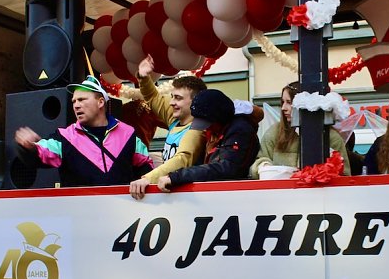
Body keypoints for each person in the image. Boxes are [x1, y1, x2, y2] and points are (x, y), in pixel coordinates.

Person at [14, 76, 153, 187]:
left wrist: (145, 181)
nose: (76, 105)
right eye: (74, 101)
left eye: (81, 100)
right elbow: (41, 153)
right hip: (78, 217)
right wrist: (29, 148)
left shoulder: (128, 133)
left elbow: (146, 165)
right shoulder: (65, 137)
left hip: (122, 216)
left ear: (100, 102)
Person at [130, 89, 259, 197]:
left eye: (207, 124)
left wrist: (176, 177)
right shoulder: (217, 129)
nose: (204, 128)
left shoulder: (240, 131)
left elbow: (225, 168)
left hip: (235, 199)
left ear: (219, 118)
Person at [129, 55, 207, 194]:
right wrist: (143, 77)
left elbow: (182, 159)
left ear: (196, 102)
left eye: (178, 98)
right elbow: (153, 97)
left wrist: (149, 178)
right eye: (172, 97)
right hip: (170, 190)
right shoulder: (175, 118)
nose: (171, 103)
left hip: (190, 194)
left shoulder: (198, 128)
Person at [251, 81, 350, 178]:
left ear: (304, 105)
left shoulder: (331, 137)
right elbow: (260, 159)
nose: (283, 108)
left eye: (289, 102)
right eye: (283, 102)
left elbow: (344, 175)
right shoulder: (274, 132)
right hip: (281, 192)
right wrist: (264, 166)